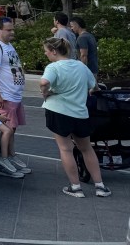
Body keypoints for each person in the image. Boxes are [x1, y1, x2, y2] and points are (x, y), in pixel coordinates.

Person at [40, 36, 112, 198]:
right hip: (80, 113)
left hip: (58, 111)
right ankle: (100, 186)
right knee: (86, 148)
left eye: (46, 51)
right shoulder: (81, 66)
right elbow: (94, 86)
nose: (45, 54)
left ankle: (76, 187)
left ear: (54, 51)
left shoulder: (53, 67)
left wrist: (46, 93)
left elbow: (44, 82)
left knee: (66, 149)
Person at [0, 17, 31, 174]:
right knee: (8, 129)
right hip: (5, 96)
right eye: (8, 30)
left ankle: (11, 155)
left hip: (15, 94)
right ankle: (3, 159)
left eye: (12, 29)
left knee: (13, 128)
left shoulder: (8, 45)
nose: (12, 32)